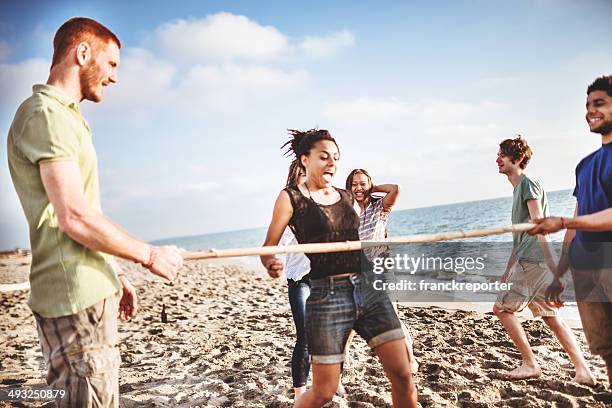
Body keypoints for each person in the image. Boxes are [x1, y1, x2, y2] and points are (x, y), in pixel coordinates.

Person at [6, 17, 183, 407]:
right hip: (74, 295)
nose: (115, 77)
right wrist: (150, 255)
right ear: (82, 53)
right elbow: (73, 216)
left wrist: (114, 270)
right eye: (113, 63)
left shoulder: (66, 116)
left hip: (88, 285)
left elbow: (81, 208)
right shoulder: (46, 115)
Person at [261, 129, 417, 407]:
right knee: (324, 391)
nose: (332, 162)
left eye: (335, 157)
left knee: (403, 375)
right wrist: (271, 263)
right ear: (304, 160)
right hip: (327, 295)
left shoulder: (346, 197)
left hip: (368, 289)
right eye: (324, 157)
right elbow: (269, 246)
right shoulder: (291, 198)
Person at [530, 75, 612, 388]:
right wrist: (559, 274)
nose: (591, 111)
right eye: (588, 105)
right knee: (607, 352)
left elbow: (575, 221)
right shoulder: (585, 165)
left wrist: (564, 222)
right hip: (587, 270)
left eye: (600, 103)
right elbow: (579, 221)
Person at [492, 137, 594, 384]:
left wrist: (554, 269)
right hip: (530, 261)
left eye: (502, 155)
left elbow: (540, 226)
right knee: (551, 318)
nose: (497, 159)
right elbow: (521, 236)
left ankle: (530, 363)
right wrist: (508, 270)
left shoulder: (528, 183)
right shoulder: (519, 188)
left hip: (534, 262)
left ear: (517, 159)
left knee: (502, 309)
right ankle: (584, 370)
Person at [345, 169, 418, 374]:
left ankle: (411, 359)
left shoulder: (380, 207)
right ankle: (345, 355)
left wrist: (371, 188)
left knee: (392, 314)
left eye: (362, 184)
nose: (358, 188)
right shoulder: (348, 211)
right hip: (358, 270)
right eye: (354, 184)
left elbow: (396, 189)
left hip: (382, 267)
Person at [278, 162, 312, 398]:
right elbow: (277, 244)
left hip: (324, 279)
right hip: (300, 280)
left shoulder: (326, 203)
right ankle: (300, 391)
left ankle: (330, 380)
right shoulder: (287, 207)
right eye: (301, 175)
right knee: (305, 335)